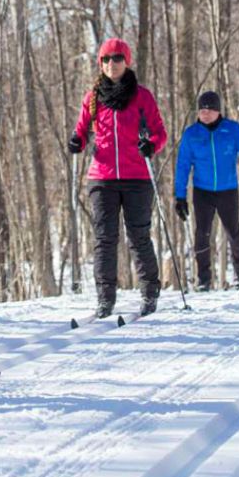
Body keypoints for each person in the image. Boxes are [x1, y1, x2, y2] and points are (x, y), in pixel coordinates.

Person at [68, 38, 168, 318]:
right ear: (100, 64)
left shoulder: (142, 96)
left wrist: (151, 145)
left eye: (117, 58)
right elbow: (81, 131)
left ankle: (149, 293)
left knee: (138, 237)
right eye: (106, 59)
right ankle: (105, 299)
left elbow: (160, 133)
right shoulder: (93, 97)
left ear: (127, 61)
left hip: (136, 176)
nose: (111, 64)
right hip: (101, 178)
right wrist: (77, 141)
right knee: (105, 238)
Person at [173, 90, 239, 291]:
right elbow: (182, 166)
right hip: (203, 191)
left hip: (227, 189)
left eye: (210, 110)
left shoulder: (232, 130)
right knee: (202, 234)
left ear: (218, 111)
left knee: (233, 232)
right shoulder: (191, 134)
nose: (205, 113)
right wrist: (180, 196)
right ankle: (203, 279)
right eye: (202, 110)